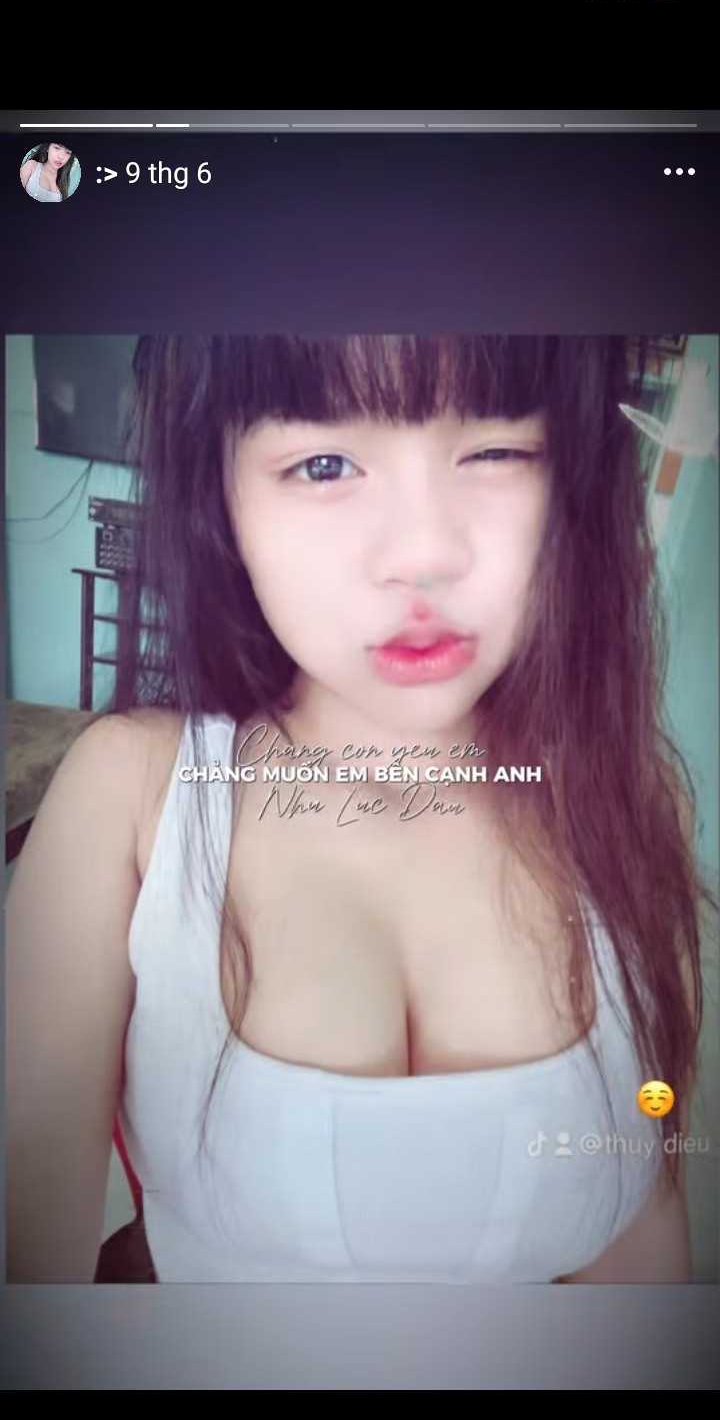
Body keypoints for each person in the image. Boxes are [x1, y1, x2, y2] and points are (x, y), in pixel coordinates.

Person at [6, 335, 715, 1284]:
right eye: (324, 464)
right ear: (222, 496)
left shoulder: (636, 805)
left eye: (496, 450)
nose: (423, 557)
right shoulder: (129, 803)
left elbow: (641, 1226)